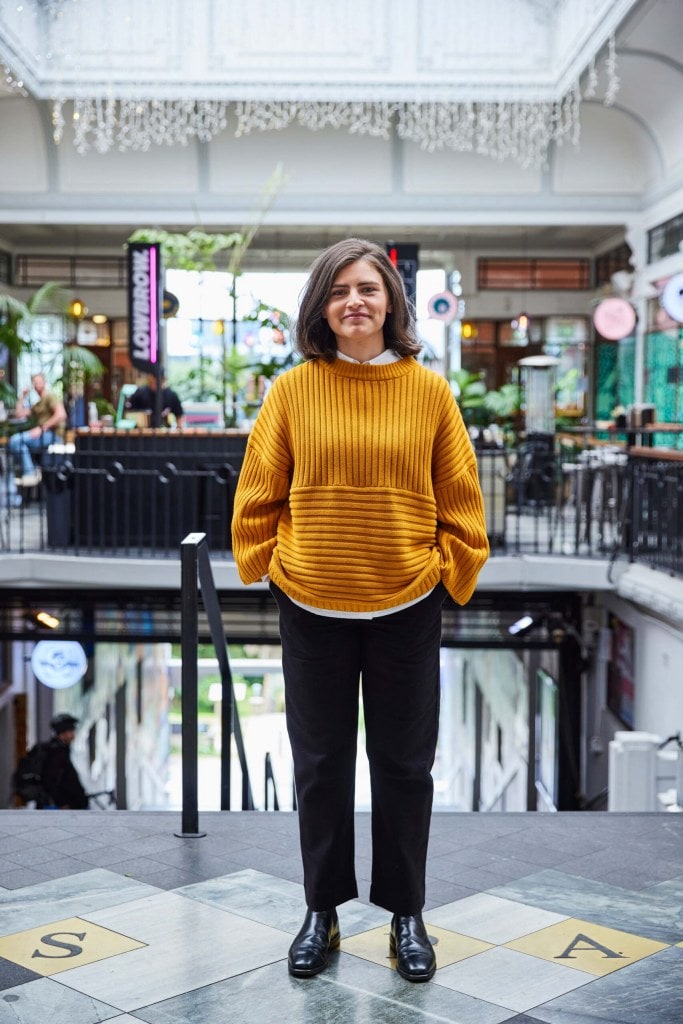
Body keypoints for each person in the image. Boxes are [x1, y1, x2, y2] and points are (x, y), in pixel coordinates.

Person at [231, 238, 489, 983]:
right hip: (312, 603)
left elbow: (461, 498)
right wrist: (274, 563)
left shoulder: (429, 390)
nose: (355, 301)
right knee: (319, 767)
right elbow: (257, 494)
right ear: (322, 305)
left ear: (391, 303)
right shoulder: (292, 390)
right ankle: (322, 910)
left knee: (405, 767)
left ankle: (406, 913)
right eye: (340, 289)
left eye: (368, 289)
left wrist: (445, 568)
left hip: (406, 602)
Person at [8, 372, 66, 489]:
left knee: (15, 441)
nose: (36, 385)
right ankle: (32, 471)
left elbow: (61, 414)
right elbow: (19, 414)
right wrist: (22, 396)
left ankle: (30, 473)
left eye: (39, 382)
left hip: (53, 435)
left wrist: (42, 428)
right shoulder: (38, 404)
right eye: (34, 382)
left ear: (44, 382)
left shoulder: (50, 397)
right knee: (19, 445)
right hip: (42, 435)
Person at [40, 713, 89, 809]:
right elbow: (49, 780)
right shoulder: (56, 753)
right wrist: (61, 803)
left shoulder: (61, 750)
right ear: (62, 734)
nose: (73, 735)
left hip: (70, 807)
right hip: (63, 809)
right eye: (70, 731)